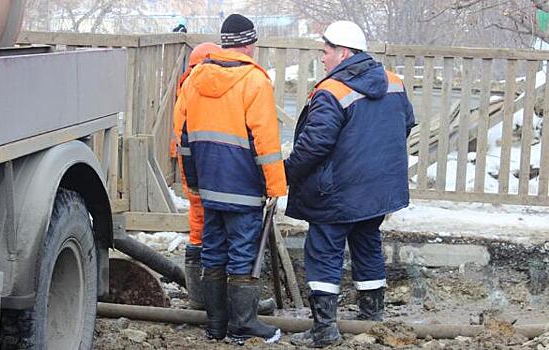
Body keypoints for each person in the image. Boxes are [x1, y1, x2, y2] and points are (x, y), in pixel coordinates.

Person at [285, 20, 415, 347]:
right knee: (367, 245)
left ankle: (324, 330)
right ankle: (372, 320)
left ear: (343, 53)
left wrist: (286, 172)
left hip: (336, 194)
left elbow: (314, 145)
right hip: (376, 193)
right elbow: (406, 124)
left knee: (324, 254)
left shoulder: (332, 91)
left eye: (326, 52)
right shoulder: (394, 82)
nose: (323, 59)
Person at [173, 14, 286, 343]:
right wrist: (276, 187)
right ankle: (243, 323)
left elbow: (184, 139)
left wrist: (193, 183)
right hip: (244, 188)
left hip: (209, 186)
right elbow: (266, 143)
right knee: (242, 254)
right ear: (249, 44)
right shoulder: (255, 81)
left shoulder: (195, 79)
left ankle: (216, 325)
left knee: (214, 252)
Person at [171, 42, 222, 310]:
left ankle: (199, 297)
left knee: (198, 228)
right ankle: (207, 299)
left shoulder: (186, 87)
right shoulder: (199, 89)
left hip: (191, 169)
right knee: (209, 229)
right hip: (203, 169)